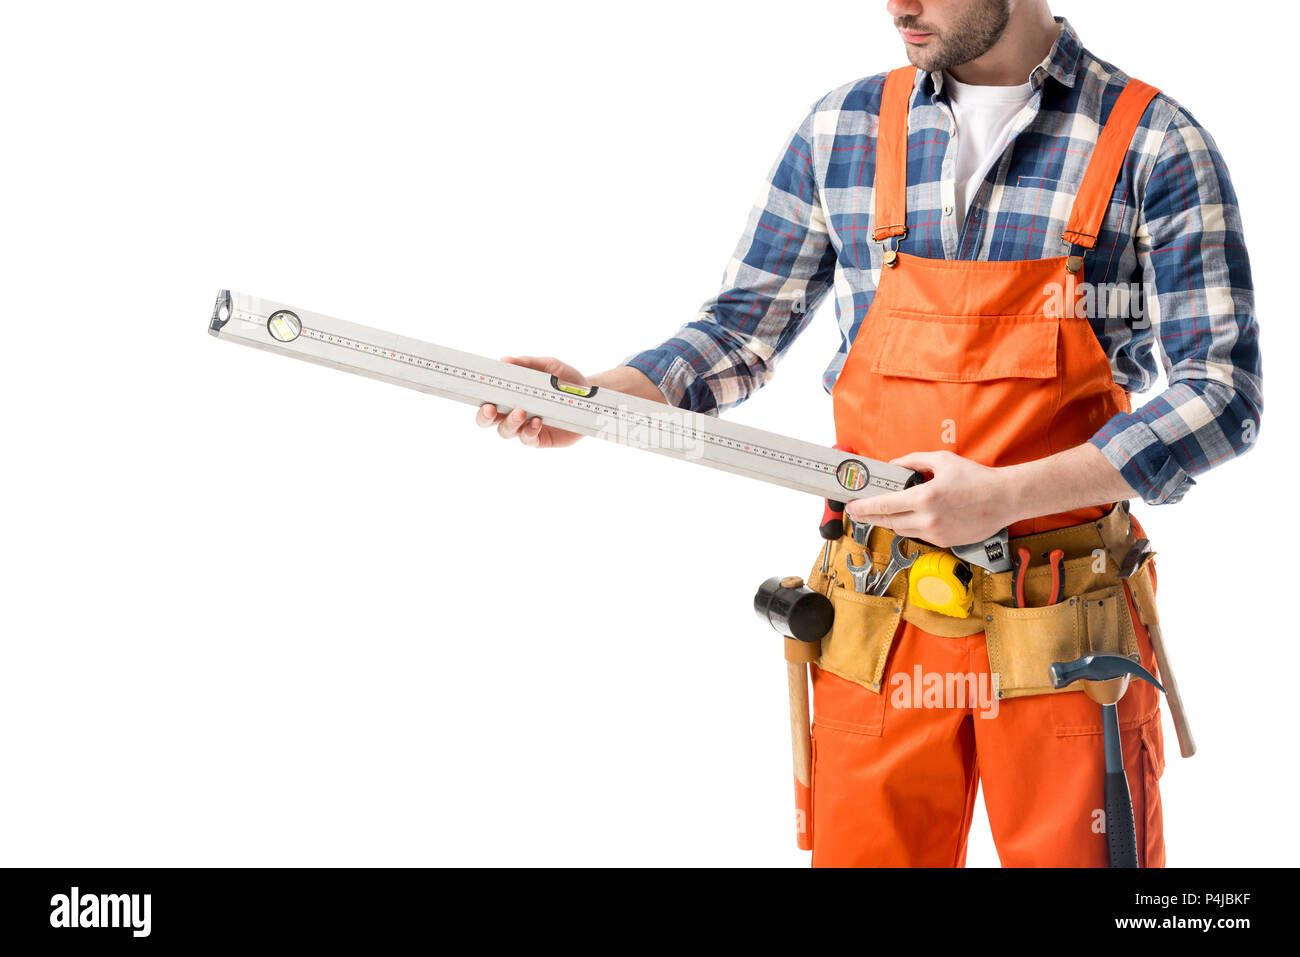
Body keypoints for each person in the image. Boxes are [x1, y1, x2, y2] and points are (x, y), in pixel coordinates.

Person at [474, 0, 1262, 867]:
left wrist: (1002, 498)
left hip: (1063, 619)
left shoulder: (1153, 141)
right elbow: (740, 331)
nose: (899, 5)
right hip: (876, 618)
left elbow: (1221, 393)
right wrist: (597, 398)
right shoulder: (845, 126)